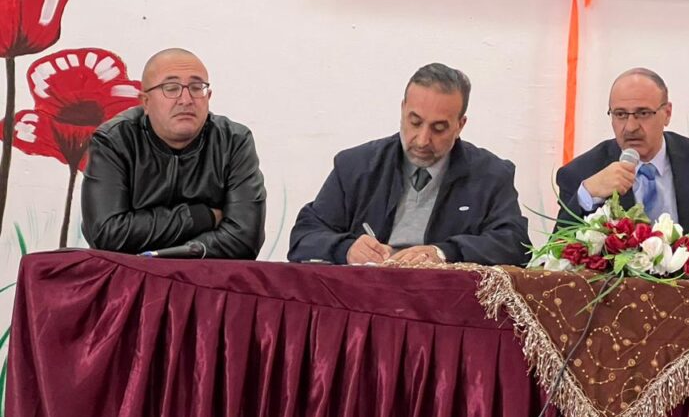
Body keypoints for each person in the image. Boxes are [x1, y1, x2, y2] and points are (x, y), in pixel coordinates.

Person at [289, 63, 529, 266]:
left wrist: (444, 252)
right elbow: (304, 236)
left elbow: (515, 244)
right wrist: (346, 249)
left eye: (439, 128)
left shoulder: (491, 175)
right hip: (363, 295)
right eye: (415, 122)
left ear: (460, 125)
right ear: (403, 109)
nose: (422, 140)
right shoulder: (355, 166)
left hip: (445, 298)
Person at [82, 48, 266, 258]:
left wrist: (169, 249)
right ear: (145, 102)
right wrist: (200, 217)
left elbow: (245, 239)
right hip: (132, 274)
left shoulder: (233, 141)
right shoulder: (115, 140)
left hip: (205, 274)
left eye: (196, 88)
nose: (186, 99)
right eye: (171, 88)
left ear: (208, 97)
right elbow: (106, 233)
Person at [555, 68, 689, 258]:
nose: (630, 127)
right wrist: (587, 194)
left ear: (667, 113)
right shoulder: (582, 172)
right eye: (620, 114)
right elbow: (555, 254)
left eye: (643, 113)